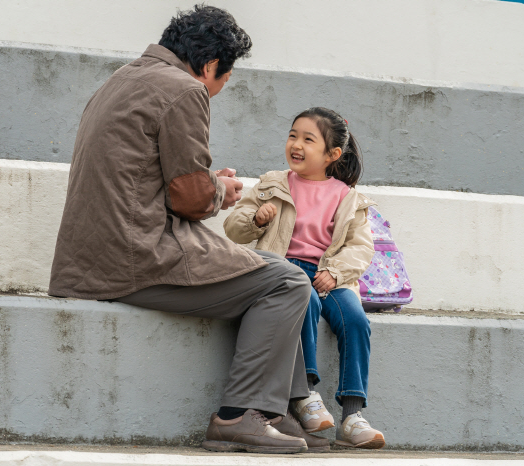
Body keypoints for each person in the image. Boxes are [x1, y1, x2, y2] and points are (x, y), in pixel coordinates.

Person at [48, 5, 321, 454]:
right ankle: (238, 416)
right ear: (211, 66)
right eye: (223, 80)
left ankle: (277, 411)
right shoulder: (184, 90)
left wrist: (210, 185)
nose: (217, 89)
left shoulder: (120, 78)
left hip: (93, 256)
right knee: (289, 280)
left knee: (271, 267)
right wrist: (224, 191)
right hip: (136, 257)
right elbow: (190, 200)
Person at [224, 107, 386, 449]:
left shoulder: (348, 197)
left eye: (308, 139)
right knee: (305, 302)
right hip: (285, 270)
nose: (296, 144)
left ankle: (352, 415)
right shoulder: (273, 184)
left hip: (330, 276)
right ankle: (306, 395)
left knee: (356, 321)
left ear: (332, 155)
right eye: (292, 135)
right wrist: (257, 219)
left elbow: (360, 248)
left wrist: (335, 272)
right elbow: (234, 229)